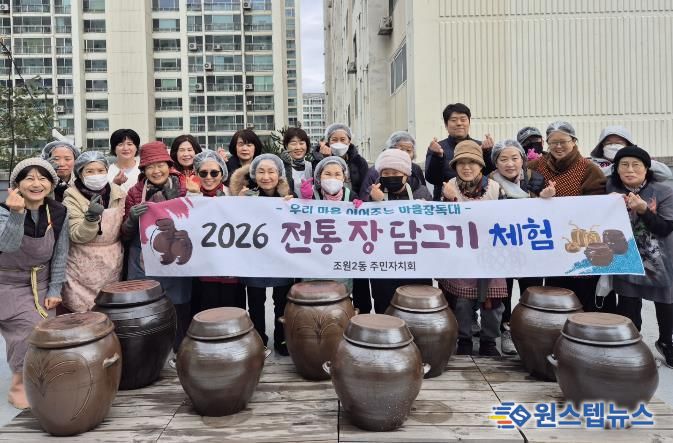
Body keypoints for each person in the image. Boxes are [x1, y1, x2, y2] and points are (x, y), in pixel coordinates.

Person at [0, 158, 68, 409]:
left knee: (45, 333)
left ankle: (39, 381)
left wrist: (55, 288)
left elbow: (60, 253)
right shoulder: (4, 210)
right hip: (8, 283)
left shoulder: (59, 211)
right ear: (17, 184)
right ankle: (19, 386)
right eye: (29, 178)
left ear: (51, 184)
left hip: (41, 281)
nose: (36, 184)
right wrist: (17, 215)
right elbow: (7, 245)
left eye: (43, 178)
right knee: (25, 332)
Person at [528, 121, 608, 312]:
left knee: (582, 297)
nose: (558, 146)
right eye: (553, 142)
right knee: (555, 298)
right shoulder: (535, 166)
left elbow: (597, 207)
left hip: (579, 243)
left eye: (563, 141)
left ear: (574, 141)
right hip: (548, 243)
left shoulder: (589, 169)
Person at [436, 140, 506, 357]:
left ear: (481, 165)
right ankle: (464, 339)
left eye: (472, 162)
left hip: (491, 254)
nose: (467, 167)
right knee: (462, 302)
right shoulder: (449, 187)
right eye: (461, 163)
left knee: (493, 303)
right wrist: (449, 200)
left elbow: (508, 218)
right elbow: (439, 222)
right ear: (455, 166)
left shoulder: (495, 188)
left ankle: (488, 341)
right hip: (460, 255)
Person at [122, 141, 191, 357]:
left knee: (178, 305)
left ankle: (179, 350)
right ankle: (150, 353)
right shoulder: (134, 193)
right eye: (150, 167)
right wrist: (132, 219)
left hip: (175, 253)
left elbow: (194, 223)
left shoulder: (184, 189)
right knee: (145, 304)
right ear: (143, 170)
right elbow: (124, 233)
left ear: (169, 166)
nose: (156, 171)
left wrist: (175, 202)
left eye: (161, 165)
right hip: (142, 257)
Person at [489, 139, 555, 355]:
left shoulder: (536, 179)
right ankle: (507, 330)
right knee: (503, 291)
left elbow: (549, 214)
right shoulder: (489, 183)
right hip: (502, 246)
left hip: (530, 247)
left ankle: (529, 330)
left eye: (514, 158)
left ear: (523, 160)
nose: (510, 164)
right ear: (495, 162)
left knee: (531, 289)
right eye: (503, 159)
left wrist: (544, 198)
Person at [609, 146, 673, 367]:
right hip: (626, 256)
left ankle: (666, 342)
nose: (630, 170)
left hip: (659, 258)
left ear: (646, 169)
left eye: (636, 165)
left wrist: (644, 210)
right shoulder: (611, 189)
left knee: (665, 302)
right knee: (628, 301)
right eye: (624, 165)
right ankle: (631, 342)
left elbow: (665, 228)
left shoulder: (664, 191)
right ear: (616, 169)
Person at [229, 153, 295, 356]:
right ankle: (259, 340)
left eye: (271, 171)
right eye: (261, 172)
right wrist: (238, 203)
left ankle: (282, 339)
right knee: (256, 302)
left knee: (282, 301)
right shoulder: (245, 195)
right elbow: (232, 222)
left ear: (279, 174)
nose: (266, 177)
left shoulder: (289, 195)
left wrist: (292, 205)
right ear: (253, 174)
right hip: (254, 258)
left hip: (282, 259)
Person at [312, 123, 371, 313]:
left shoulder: (358, 167)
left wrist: (361, 204)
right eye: (327, 174)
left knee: (356, 280)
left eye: (337, 174)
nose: (332, 178)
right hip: (322, 242)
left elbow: (366, 187)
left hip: (350, 237)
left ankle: (360, 313)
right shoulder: (312, 193)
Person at [367, 149, 433, 312]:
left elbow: (434, 224)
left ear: (406, 174)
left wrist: (427, 210)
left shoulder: (421, 192)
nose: (390, 176)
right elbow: (365, 224)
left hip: (415, 261)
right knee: (384, 304)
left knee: (416, 304)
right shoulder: (375, 192)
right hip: (384, 263)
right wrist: (373, 201)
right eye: (386, 173)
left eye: (395, 172)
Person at [62, 151, 125, 312]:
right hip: (81, 264)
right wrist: (90, 219)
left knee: (110, 310)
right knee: (83, 314)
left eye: (100, 170)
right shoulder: (71, 197)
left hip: (112, 262)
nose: (96, 175)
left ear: (107, 171)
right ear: (80, 174)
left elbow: (124, 228)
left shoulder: (118, 193)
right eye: (89, 171)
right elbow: (76, 235)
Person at [185, 150, 246, 314]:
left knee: (231, 311)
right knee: (206, 311)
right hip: (201, 269)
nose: (208, 177)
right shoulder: (188, 196)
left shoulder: (233, 194)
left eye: (214, 172)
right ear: (197, 174)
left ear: (222, 174)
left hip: (230, 268)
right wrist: (194, 196)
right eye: (203, 173)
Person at [424, 103, 495, 201]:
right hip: (446, 201)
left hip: (478, 201)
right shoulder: (438, 148)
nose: (459, 123)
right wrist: (437, 156)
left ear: (469, 122)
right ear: (446, 124)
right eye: (453, 120)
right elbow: (432, 179)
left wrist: (487, 152)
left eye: (463, 119)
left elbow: (490, 174)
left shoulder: (480, 146)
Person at [359, 131, 426, 201]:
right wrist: (373, 198)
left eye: (408, 150)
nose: (405, 154)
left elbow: (424, 194)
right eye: (401, 150)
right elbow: (364, 201)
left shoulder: (416, 170)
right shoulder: (374, 171)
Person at [590, 125, 672, 181]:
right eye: (609, 143)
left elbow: (666, 174)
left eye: (619, 143)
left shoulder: (639, 161)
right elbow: (593, 177)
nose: (613, 146)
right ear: (602, 145)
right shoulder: (592, 164)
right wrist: (618, 167)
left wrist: (644, 161)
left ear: (628, 145)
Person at [311, 123, 369, 196]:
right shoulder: (318, 160)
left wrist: (358, 200)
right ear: (328, 142)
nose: (339, 143)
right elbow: (316, 184)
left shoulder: (359, 162)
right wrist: (324, 159)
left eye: (343, 139)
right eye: (334, 140)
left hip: (353, 201)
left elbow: (365, 187)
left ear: (349, 141)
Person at [281, 127, 313, 197]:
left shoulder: (311, 166)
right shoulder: (281, 167)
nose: (298, 147)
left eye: (301, 143)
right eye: (293, 144)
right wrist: (286, 166)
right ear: (286, 146)